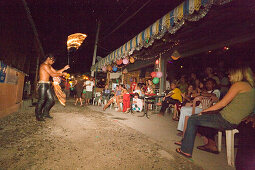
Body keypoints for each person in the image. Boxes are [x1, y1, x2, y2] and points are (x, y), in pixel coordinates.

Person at [176, 65, 255, 158]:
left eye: (230, 73)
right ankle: (211, 145)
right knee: (204, 118)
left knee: (192, 119)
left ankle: (185, 150)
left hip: (226, 119)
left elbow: (222, 103)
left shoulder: (239, 85)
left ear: (237, 73)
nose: (228, 75)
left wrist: (205, 111)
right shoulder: (251, 87)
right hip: (235, 120)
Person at [35, 54, 69, 121]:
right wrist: (62, 74)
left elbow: (56, 72)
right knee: (41, 100)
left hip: (47, 84)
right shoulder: (44, 65)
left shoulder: (49, 66)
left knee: (51, 100)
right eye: (52, 60)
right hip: (42, 84)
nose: (53, 62)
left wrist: (64, 69)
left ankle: (45, 113)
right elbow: (53, 74)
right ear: (48, 58)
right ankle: (38, 116)